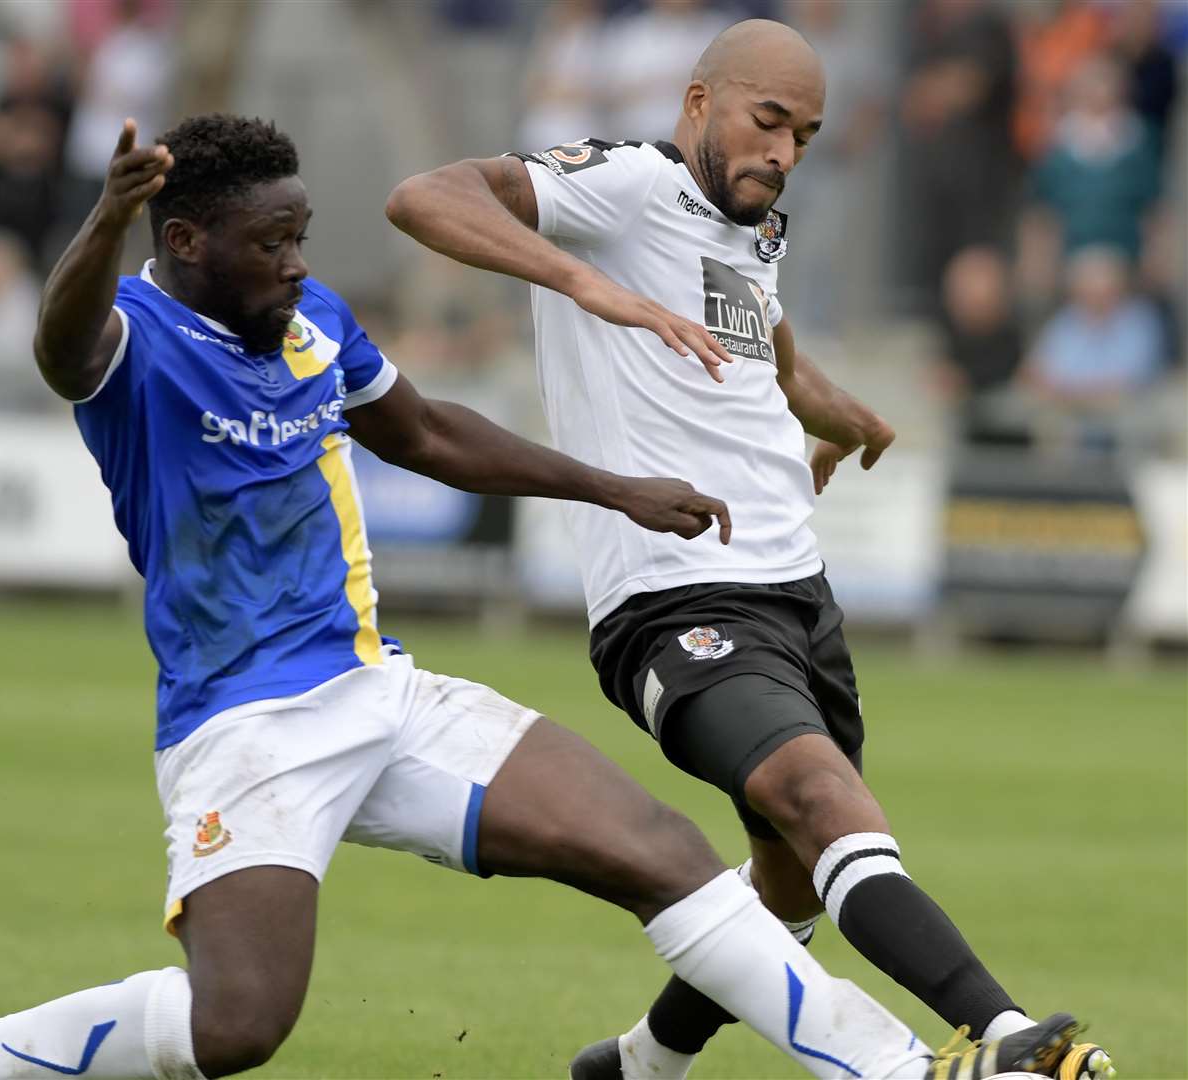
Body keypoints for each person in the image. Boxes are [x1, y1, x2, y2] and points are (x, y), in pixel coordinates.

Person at [0, 113, 1075, 1080]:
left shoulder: (309, 325)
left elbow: (428, 432)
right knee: (235, 1029)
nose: (297, 265)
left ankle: (912, 1071)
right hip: (246, 728)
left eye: (302, 237)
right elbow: (58, 347)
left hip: (380, 691)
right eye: (271, 245)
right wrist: (102, 216)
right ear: (185, 239)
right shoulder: (132, 341)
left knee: (662, 851)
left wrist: (612, 488)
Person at [385, 19, 1114, 1080]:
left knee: (791, 877)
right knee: (825, 808)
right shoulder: (626, 184)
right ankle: (1002, 1035)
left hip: (797, 593)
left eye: (804, 137)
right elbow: (425, 197)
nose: (782, 152)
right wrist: (584, 284)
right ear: (697, 105)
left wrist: (844, 419)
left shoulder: (753, 233)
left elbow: (770, 358)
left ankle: (638, 1066)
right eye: (766, 122)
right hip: (677, 600)